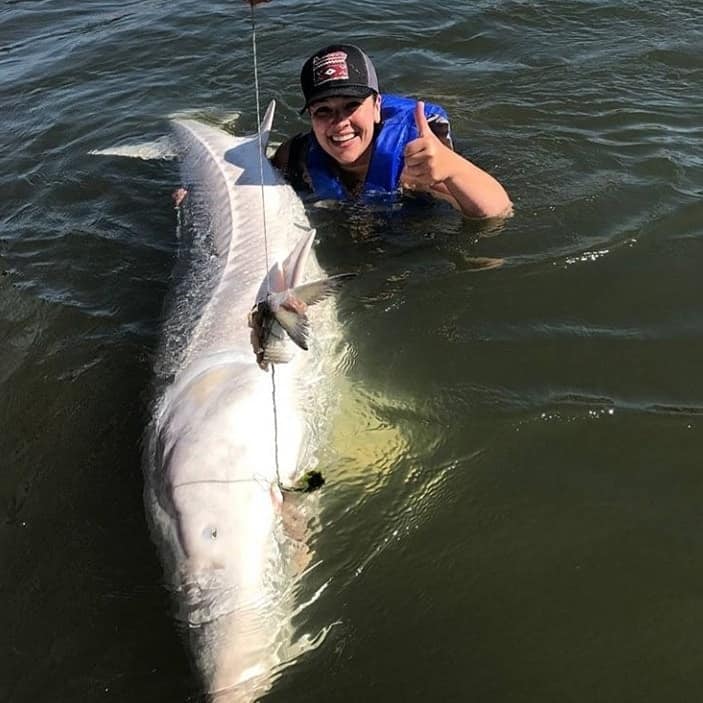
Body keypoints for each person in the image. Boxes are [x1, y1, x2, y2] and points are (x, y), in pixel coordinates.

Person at [272, 43, 513, 219]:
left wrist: (451, 168)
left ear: (377, 107)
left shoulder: (413, 160)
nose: (339, 122)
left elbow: (499, 211)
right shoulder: (295, 156)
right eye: (323, 111)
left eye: (352, 105)